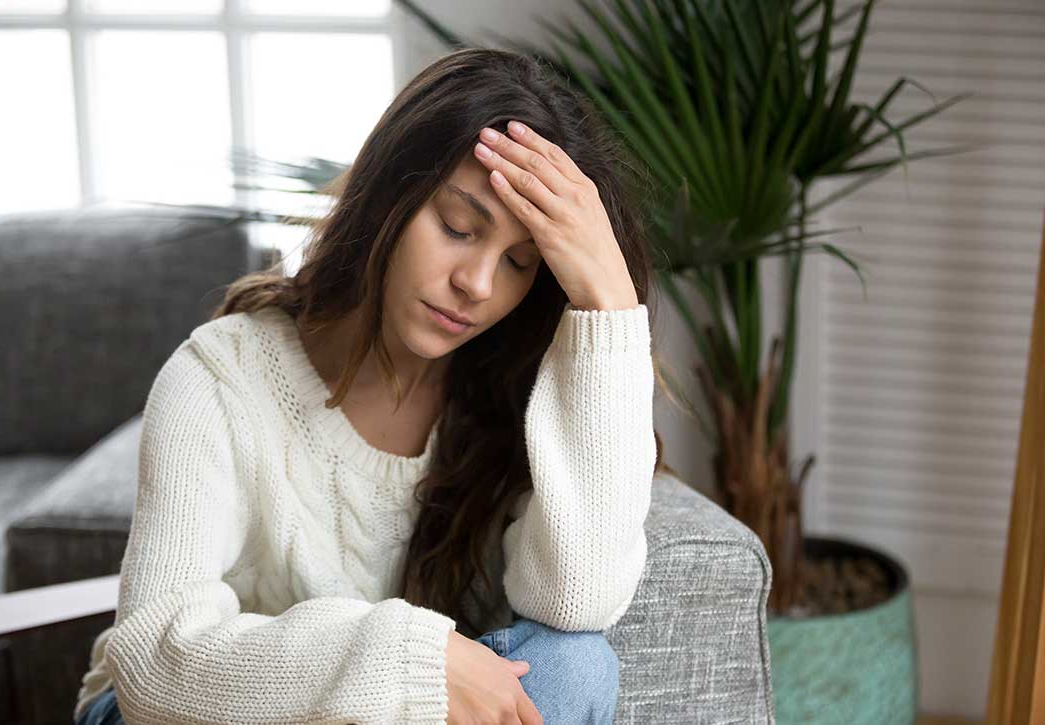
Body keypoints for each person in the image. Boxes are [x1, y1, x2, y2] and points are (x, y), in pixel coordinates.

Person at [74, 46, 665, 725]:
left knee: (576, 663)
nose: (475, 283)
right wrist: (404, 655)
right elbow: (152, 664)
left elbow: (577, 598)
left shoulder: (519, 394)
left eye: (519, 263)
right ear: (389, 193)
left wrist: (611, 308)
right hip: (180, 710)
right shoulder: (220, 376)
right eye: (457, 227)